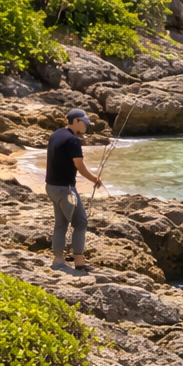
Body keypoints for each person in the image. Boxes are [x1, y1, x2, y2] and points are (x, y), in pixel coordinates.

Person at [45, 109, 103, 272]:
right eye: (84, 123)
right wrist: (94, 179)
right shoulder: (73, 140)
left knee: (61, 224)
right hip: (66, 190)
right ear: (76, 121)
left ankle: (58, 260)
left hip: (51, 187)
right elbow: (79, 165)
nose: (86, 126)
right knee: (80, 222)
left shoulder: (56, 134)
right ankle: (79, 262)